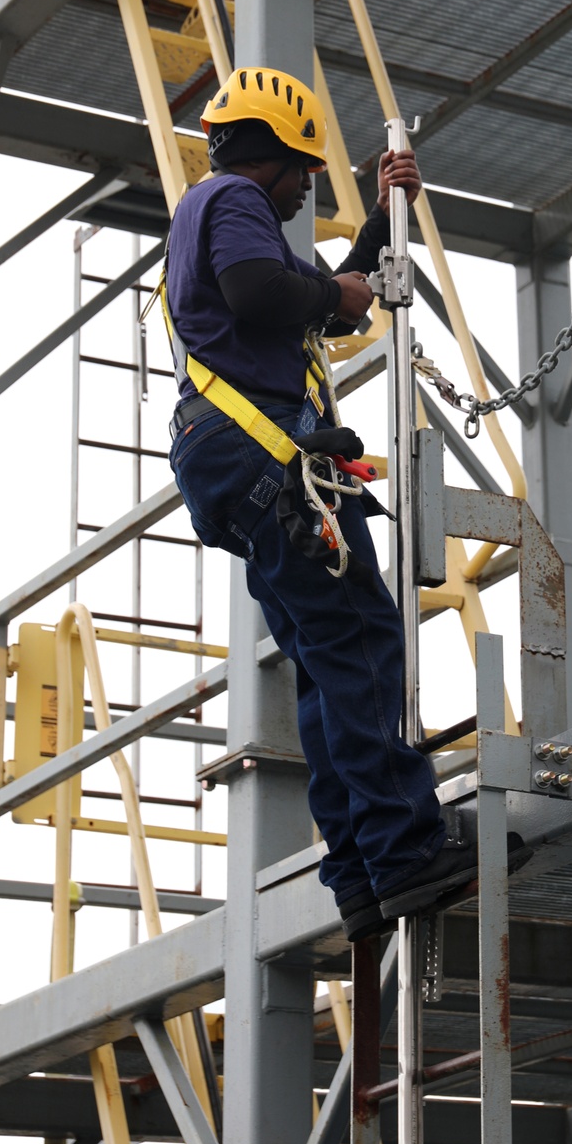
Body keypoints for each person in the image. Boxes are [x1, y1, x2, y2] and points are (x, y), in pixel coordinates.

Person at [164, 66, 521, 939]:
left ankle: (360, 871)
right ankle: (404, 850)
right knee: (360, 643)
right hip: (263, 453)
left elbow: (312, 311)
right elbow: (274, 295)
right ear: (276, 154)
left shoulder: (211, 213)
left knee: (327, 664)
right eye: (306, 172)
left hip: (232, 460)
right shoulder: (233, 201)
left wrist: (368, 240)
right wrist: (336, 290)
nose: (305, 188)